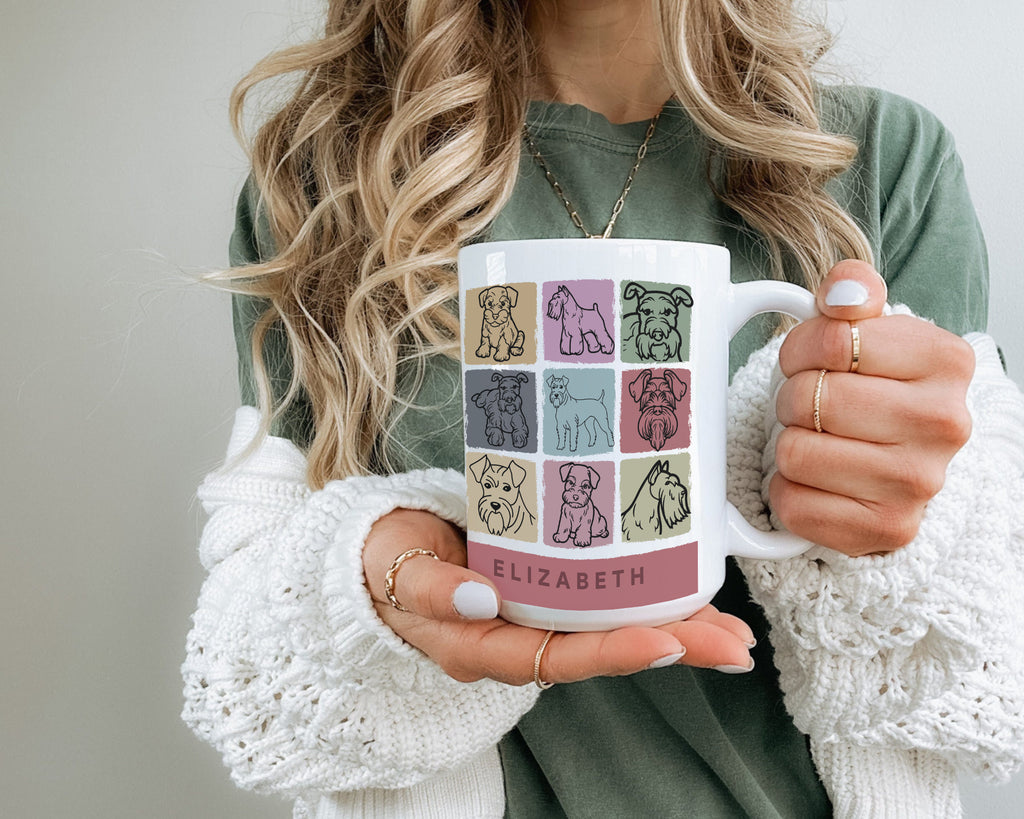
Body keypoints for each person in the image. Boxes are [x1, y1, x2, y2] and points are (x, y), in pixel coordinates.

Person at [181, 0, 1024, 816]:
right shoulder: (322, 180)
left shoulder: (877, 158)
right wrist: (361, 594)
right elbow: (246, 651)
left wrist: (893, 522)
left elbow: (986, 657)